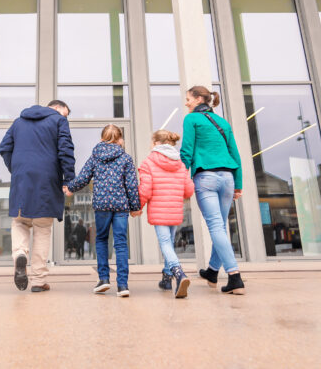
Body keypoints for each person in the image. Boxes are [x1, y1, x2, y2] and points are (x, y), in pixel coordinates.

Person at [0, 100, 74, 293]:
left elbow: (4, 147)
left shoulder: (18, 122)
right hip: (47, 181)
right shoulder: (58, 121)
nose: (65, 118)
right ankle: (39, 281)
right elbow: (65, 151)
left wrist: (16, 169)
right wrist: (69, 179)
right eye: (65, 113)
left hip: (22, 179)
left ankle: (19, 255)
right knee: (42, 227)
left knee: (20, 222)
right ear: (56, 108)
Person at [181, 85, 246, 295]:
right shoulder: (223, 122)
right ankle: (211, 271)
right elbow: (234, 153)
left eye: (188, 98)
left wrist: (181, 177)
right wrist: (238, 183)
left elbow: (187, 151)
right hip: (227, 177)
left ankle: (234, 276)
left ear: (199, 99)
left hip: (206, 177)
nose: (186, 102)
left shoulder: (191, 119)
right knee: (221, 227)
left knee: (216, 227)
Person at [64, 124, 140, 297]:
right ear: (120, 139)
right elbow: (132, 186)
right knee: (120, 243)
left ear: (102, 138)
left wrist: (70, 188)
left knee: (101, 240)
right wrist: (135, 207)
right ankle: (122, 285)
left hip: (102, 205)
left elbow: (83, 177)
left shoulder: (95, 157)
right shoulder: (126, 158)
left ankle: (104, 279)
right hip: (121, 205)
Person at [132, 129, 195, 298]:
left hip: (159, 211)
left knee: (165, 244)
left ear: (156, 143)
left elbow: (145, 189)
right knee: (170, 244)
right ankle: (166, 278)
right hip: (174, 209)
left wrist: (138, 206)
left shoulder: (148, 162)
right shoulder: (180, 164)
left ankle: (178, 273)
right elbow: (189, 190)